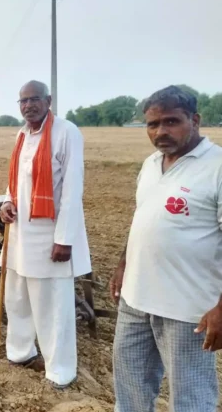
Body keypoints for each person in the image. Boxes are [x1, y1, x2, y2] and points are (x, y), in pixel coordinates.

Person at [110, 85, 222, 412]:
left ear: (195, 119)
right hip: (136, 300)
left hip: (188, 311)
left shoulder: (216, 167)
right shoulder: (150, 164)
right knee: (130, 389)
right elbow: (142, 218)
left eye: (172, 122)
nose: (161, 132)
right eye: (152, 124)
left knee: (190, 398)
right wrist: (122, 264)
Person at [0, 80, 91, 390]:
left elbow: (72, 190)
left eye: (34, 99)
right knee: (17, 296)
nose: (28, 106)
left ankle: (60, 371)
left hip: (50, 235)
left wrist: (65, 239)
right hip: (20, 232)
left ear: (48, 100)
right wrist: (7, 202)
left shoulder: (66, 132)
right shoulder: (22, 134)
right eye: (22, 101)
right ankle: (20, 352)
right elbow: (15, 181)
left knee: (52, 305)